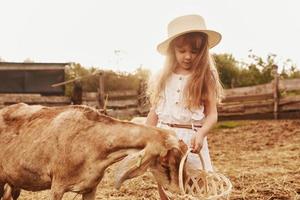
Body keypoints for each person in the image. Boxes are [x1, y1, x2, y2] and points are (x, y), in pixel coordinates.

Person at [145, 14, 223, 200]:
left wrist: (202, 133)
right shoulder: (162, 76)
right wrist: (146, 137)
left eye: (194, 51)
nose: (188, 56)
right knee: (166, 182)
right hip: (165, 137)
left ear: (203, 51)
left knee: (196, 184)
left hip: (191, 140)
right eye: (181, 50)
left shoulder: (205, 77)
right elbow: (154, 112)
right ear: (173, 50)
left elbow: (212, 114)